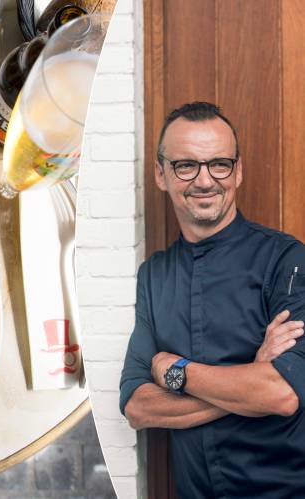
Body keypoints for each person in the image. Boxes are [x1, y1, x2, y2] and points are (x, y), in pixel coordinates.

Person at [119, 101, 305, 498]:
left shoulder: (286, 260)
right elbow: (137, 406)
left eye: (219, 164)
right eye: (186, 166)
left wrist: (176, 371)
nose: (204, 181)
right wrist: (249, 377)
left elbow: (282, 394)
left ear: (237, 171)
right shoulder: (153, 276)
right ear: (161, 174)